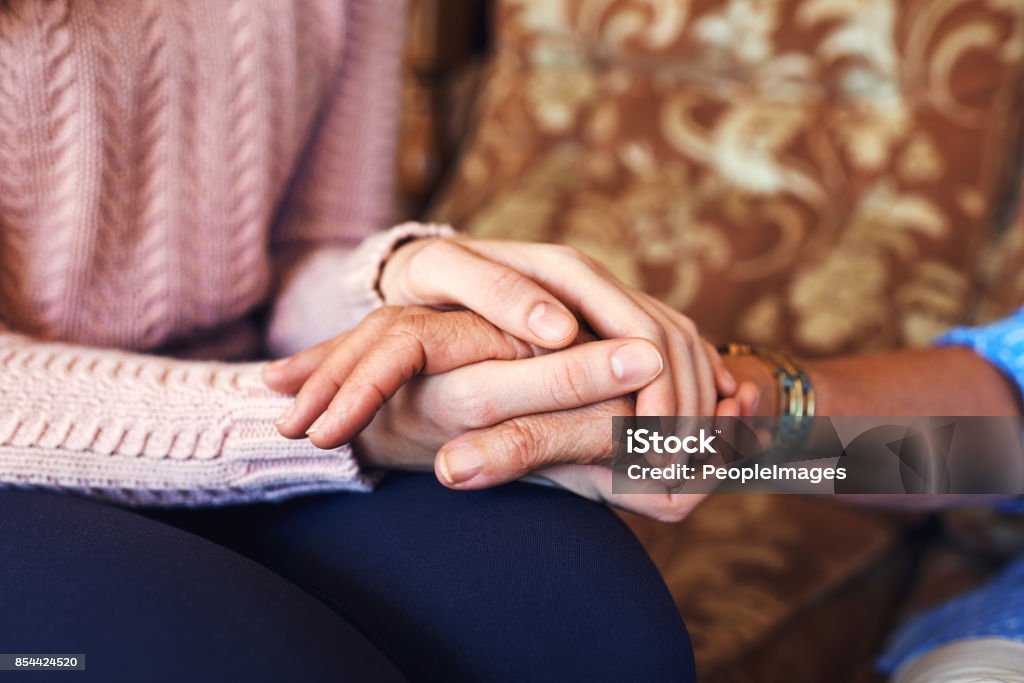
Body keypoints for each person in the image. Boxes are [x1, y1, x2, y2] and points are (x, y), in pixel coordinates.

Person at [0, 1, 734, 680]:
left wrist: (396, 277)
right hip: (41, 446)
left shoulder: (818, 439)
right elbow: (822, 447)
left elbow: (819, 442)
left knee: (597, 625)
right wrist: (355, 417)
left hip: (257, 389)